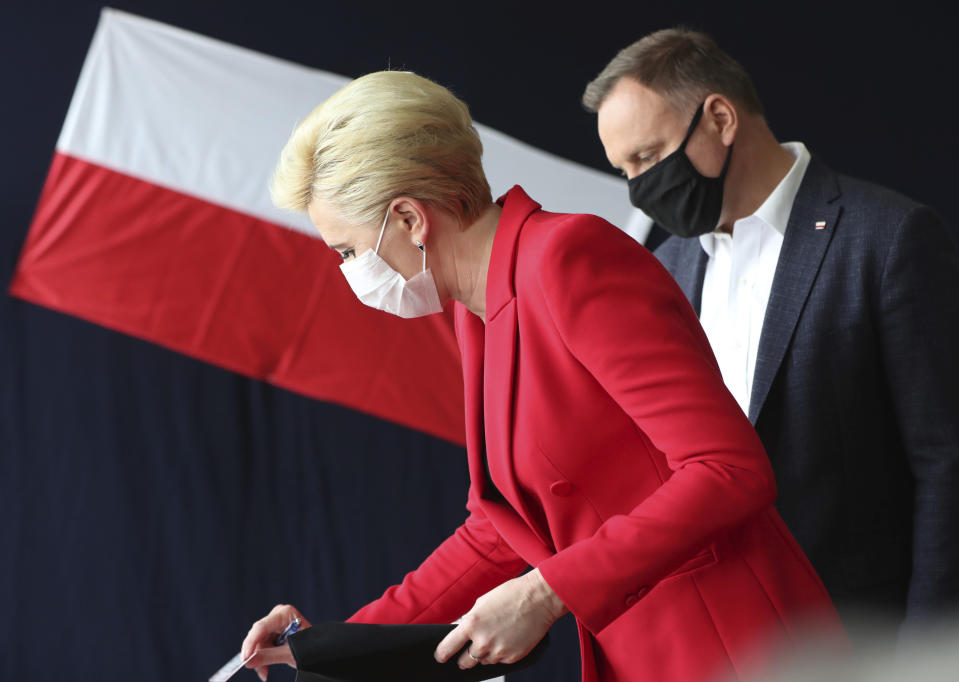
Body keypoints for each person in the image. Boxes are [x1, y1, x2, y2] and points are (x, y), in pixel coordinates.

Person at [239, 70, 844, 682]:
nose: (349, 271)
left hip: (736, 646)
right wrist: (333, 649)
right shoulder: (478, 311)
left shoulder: (567, 259)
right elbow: (502, 532)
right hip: (645, 653)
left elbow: (729, 470)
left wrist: (547, 592)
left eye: (347, 251)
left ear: (409, 218)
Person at [581, 28, 959, 639]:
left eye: (647, 158)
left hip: (862, 643)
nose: (639, 190)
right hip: (722, 641)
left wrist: (927, 660)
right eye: (624, 170)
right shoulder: (667, 271)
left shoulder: (888, 238)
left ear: (721, 119)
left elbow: (946, 466)